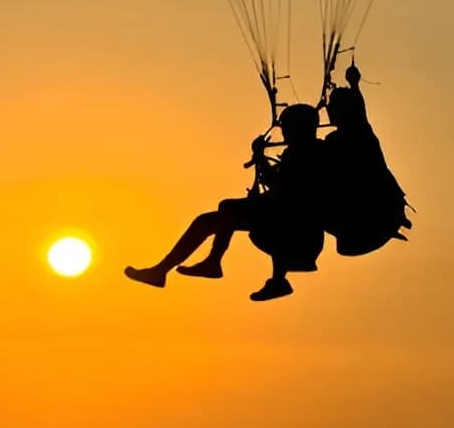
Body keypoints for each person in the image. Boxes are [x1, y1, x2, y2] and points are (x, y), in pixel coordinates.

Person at [123, 103, 326, 301]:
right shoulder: (306, 151)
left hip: (296, 230)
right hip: (287, 223)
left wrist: (260, 158)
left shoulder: (307, 153)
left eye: (287, 127)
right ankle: (161, 271)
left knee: (227, 208)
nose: (284, 133)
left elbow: (288, 187)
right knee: (207, 221)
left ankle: (213, 263)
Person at [322, 64, 411, 256]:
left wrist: (355, 85)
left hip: (374, 217)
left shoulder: (358, 133)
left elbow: (360, 112)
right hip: (371, 222)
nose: (328, 109)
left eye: (333, 105)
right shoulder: (333, 141)